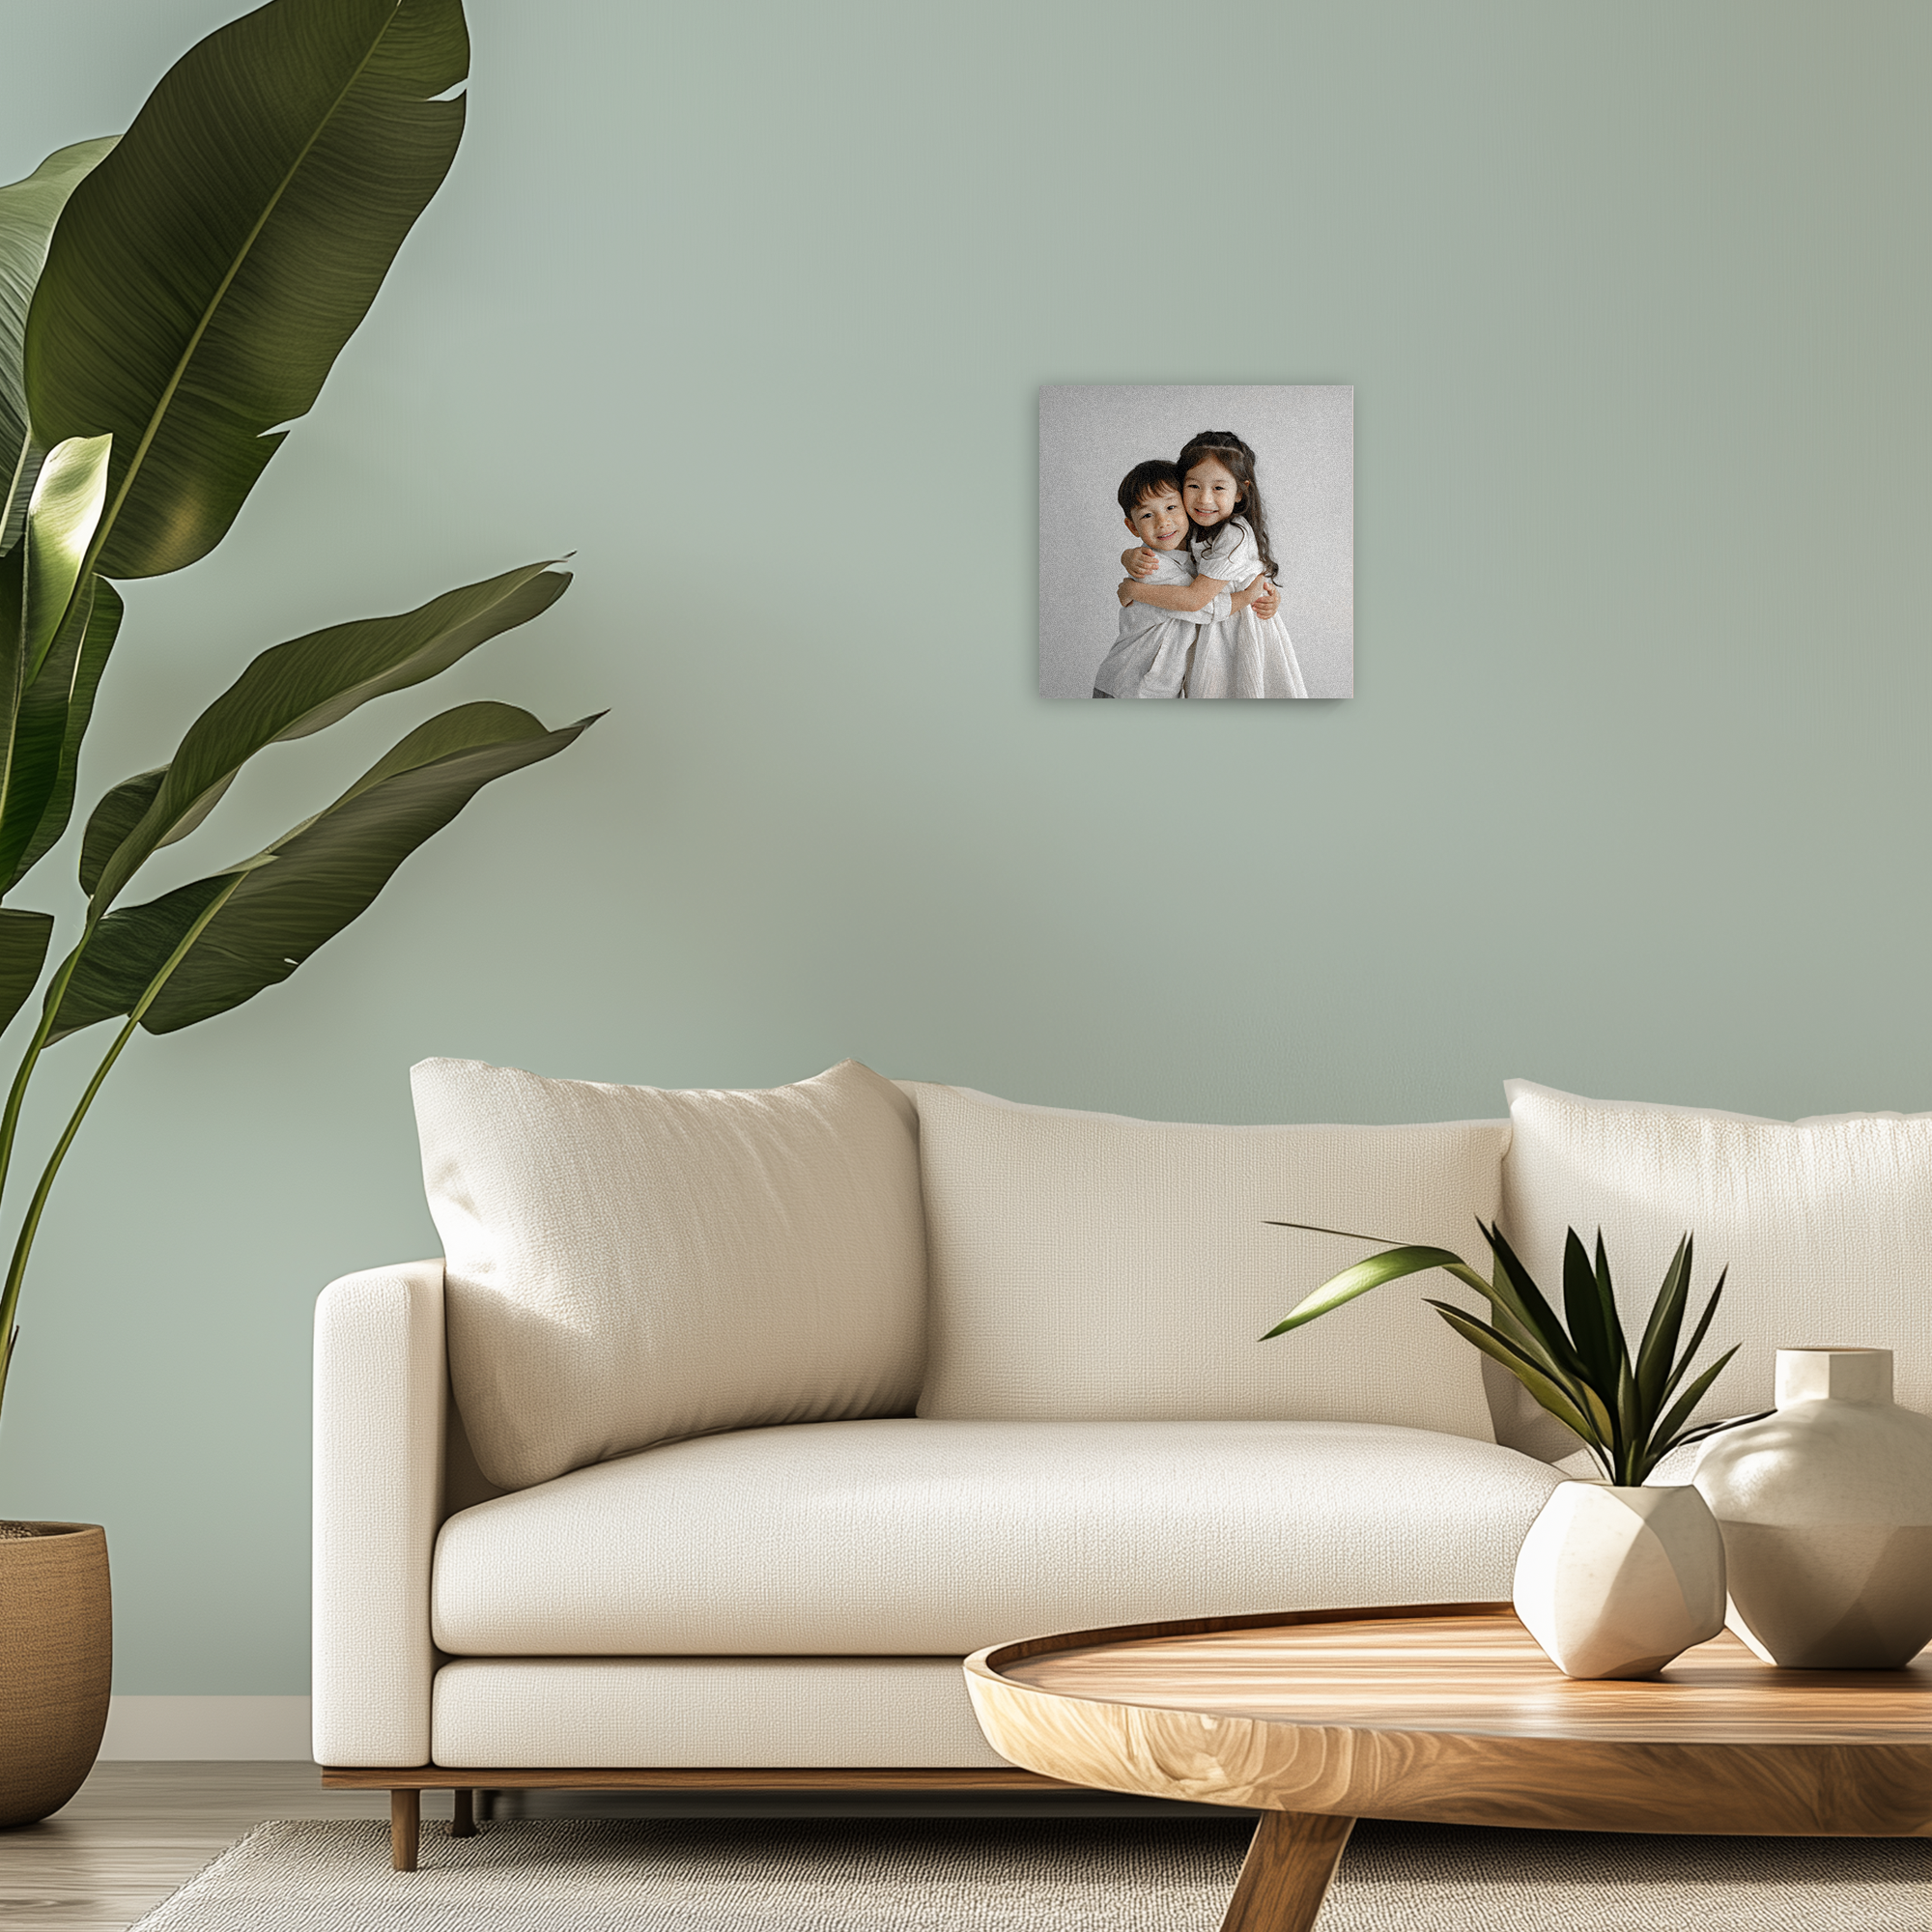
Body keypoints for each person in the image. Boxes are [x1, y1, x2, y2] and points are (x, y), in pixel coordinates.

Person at [1120, 431, 1308, 699]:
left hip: (1238, 629)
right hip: (1211, 626)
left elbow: (1195, 598)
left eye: (1218, 488)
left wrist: (1133, 590)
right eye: (1193, 486)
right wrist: (1128, 556)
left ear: (1240, 493)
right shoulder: (1193, 525)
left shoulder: (1234, 534)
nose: (1204, 499)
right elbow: (1162, 550)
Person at [1093, 459, 1278, 698]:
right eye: (1148, 515)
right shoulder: (1151, 566)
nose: (1163, 522)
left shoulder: (1195, 554)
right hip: (1128, 687)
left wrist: (1268, 592)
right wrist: (1249, 596)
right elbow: (1202, 605)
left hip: (1158, 689)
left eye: (1171, 508)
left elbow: (1233, 574)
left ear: (1186, 507)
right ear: (1133, 527)